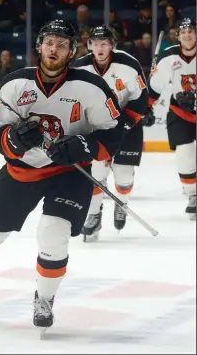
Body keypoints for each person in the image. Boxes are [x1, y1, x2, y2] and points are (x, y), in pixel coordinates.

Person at [0, 20, 124, 330]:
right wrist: (13, 140)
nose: (54, 49)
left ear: (73, 51)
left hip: (68, 173)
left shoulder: (91, 88)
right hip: (22, 171)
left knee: (53, 233)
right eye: (49, 42)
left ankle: (45, 298)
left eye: (62, 44)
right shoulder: (14, 84)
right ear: (39, 46)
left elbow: (113, 135)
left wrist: (82, 147)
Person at [73, 25, 149, 240]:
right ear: (89, 46)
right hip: (96, 127)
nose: (100, 48)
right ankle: (94, 214)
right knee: (96, 174)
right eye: (95, 44)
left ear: (112, 45)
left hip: (127, 123)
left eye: (104, 44)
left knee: (123, 175)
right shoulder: (79, 69)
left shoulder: (128, 64)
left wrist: (125, 124)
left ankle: (121, 204)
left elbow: (141, 97)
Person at [148, 18, 196, 220]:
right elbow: (155, 86)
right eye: (183, 32)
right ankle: (193, 195)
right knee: (184, 155)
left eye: (191, 31)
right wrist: (146, 108)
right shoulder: (168, 56)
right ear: (178, 36)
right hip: (180, 112)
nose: (187, 35)